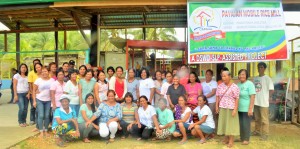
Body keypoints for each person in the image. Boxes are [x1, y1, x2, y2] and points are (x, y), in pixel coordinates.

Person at [216, 71, 240, 148]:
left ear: (230, 76)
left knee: (231, 124)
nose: (224, 78)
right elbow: (217, 96)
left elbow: (237, 99)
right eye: (222, 76)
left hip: (231, 108)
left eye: (225, 76)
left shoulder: (234, 87)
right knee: (225, 123)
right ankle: (226, 138)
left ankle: (231, 141)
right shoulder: (220, 86)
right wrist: (217, 106)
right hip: (222, 107)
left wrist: (235, 109)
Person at [252, 62, 274, 141]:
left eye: (261, 67)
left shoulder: (268, 78)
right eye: (258, 67)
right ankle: (257, 131)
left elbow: (271, 90)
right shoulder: (255, 78)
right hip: (256, 101)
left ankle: (265, 134)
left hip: (264, 102)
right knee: (257, 118)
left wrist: (268, 97)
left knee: (264, 119)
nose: (259, 69)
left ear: (264, 69)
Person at [33, 66, 55, 138]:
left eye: (45, 71)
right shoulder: (38, 80)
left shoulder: (52, 80)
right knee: (41, 115)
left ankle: (45, 130)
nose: (44, 73)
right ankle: (41, 131)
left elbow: (54, 90)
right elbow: (33, 90)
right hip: (39, 100)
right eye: (42, 72)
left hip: (48, 100)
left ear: (48, 72)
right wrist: (34, 101)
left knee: (47, 116)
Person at [237, 69, 256, 145]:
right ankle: (242, 138)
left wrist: (250, 109)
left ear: (246, 75)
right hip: (239, 108)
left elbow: (252, 97)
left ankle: (246, 139)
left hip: (247, 108)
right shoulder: (238, 85)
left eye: (243, 74)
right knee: (241, 124)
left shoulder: (250, 84)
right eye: (240, 74)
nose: (241, 76)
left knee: (246, 124)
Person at [27, 59, 41, 125]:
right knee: (33, 107)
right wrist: (31, 92)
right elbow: (30, 83)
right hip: (34, 93)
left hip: (41, 93)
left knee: (39, 108)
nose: (36, 65)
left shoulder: (43, 73)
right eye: (35, 63)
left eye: (38, 64)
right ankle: (32, 120)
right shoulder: (31, 73)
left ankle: (38, 120)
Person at [30, 63, 43, 131]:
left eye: (39, 67)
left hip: (46, 97)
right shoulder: (34, 75)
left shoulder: (45, 74)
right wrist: (33, 93)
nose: (38, 69)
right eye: (36, 68)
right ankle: (37, 126)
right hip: (37, 96)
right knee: (38, 111)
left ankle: (43, 125)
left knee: (45, 113)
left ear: (42, 67)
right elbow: (33, 86)